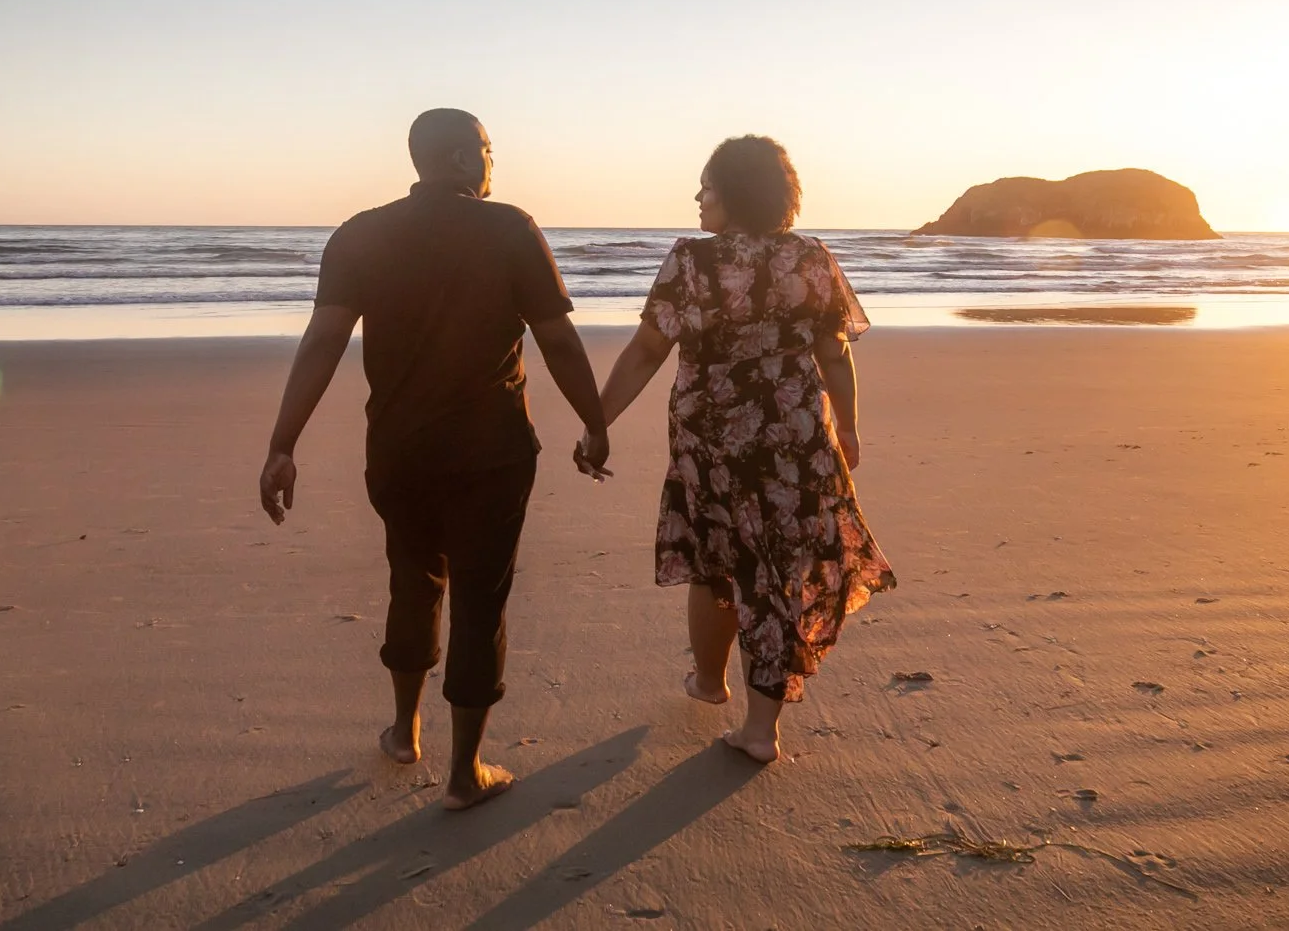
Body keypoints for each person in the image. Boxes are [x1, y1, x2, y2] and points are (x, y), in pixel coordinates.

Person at [258, 108, 610, 810]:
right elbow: (558, 341)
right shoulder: (510, 226)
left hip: (398, 450)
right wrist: (594, 422)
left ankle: (403, 730)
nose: (490, 162)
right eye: (485, 149)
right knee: (482, 597)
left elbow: (323, 339)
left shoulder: (360, 233)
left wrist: (282, 443)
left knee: (412, 579)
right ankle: (465, 771)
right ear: (457, 157)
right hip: (492, 451)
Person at [594, 135, 895, 763]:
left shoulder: (691, 261)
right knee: (780, 561)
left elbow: (648, 351)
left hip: (712, 439)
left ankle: (724, 695)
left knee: (717, 555)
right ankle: (746, 714)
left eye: (706, 185)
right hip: (794, 432)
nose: (699, 197)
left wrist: (597, 421)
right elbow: (833, 354)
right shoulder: (811, 258)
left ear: (732, 192)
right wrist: (848, 427)